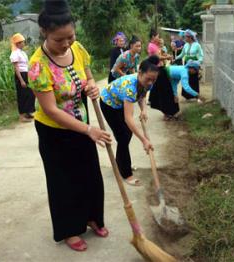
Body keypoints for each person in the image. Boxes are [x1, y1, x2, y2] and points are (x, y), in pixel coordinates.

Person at [28, 0, 112, 252]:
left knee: (90, 176)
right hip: (55, 133)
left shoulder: (79, 49)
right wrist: (88, 130)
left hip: (82, 125)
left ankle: (92, 218)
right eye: (59, 40)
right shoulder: (37, 65)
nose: (66, 44)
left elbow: (87, 77)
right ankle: (69, 229)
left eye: (70, 37)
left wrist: (92, 86)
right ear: (44, 32)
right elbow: (51, 110)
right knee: (63, 182)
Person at [100, 56, 159, 186]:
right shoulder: (129, 89)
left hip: (119, 103)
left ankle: (120, 162)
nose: (150, 82)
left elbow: (142, 95)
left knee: (126, 135)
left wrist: (143, 110)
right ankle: (126, 173)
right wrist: (144, 140)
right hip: (108, 103)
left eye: (153, 80)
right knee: (123, 136)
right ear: (139, 73)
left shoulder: (148, 83)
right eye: (148, 79)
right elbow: (128, 118)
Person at [147, 29, 177, 121]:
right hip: (158, 70)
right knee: (164, 92)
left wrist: (166, 55)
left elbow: (161, 54)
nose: (158, 38)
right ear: (153, 37)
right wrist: (167, 57)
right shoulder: (151, 46)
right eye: (157, 36)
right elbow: (157, 57)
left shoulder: (156, 46)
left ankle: (169, 112)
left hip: (161, 69)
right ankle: (166, 113)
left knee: (166, 91)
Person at [9, 33, 35, 122]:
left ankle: (28, 112)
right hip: (20, 75)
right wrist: (21, 80)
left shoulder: (22, 52)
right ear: (18, 43)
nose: (24, 44)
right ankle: (22, 116)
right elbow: (16, 68)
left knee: (29, 93)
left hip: (26, 73)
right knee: (22, 94)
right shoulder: (15, 53)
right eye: (22, 42)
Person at [175, 29, 204, 101]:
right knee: (186, 78)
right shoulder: (185, 45)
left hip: (194, 65)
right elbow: (182, 54)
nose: (185, 38)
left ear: (190, 37)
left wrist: (198, 62)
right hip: (187, 63)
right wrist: (175, 58)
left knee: (193, 79)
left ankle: (194, 96)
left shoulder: (197, 45)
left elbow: (201, 56)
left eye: (186, 37)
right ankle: (187, 96)